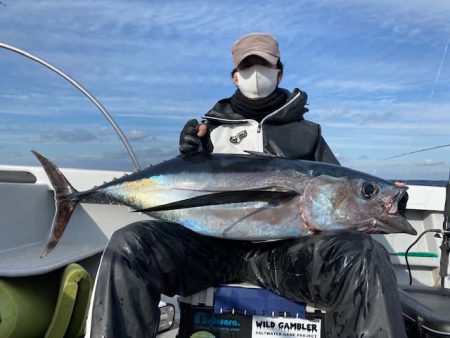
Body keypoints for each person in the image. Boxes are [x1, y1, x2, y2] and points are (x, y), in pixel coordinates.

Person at [89, 33, 407, 337]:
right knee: (128, 246)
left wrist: (381, 198)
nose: (256, 74)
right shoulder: (208, 129)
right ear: (235, 76)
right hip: (209, 248)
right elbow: (182, 188)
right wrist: (190, 154)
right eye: (246, 66)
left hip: (285, 255)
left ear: (279, 74)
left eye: (265, 66)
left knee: (364, 255)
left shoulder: (307, 134)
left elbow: (339, 196)